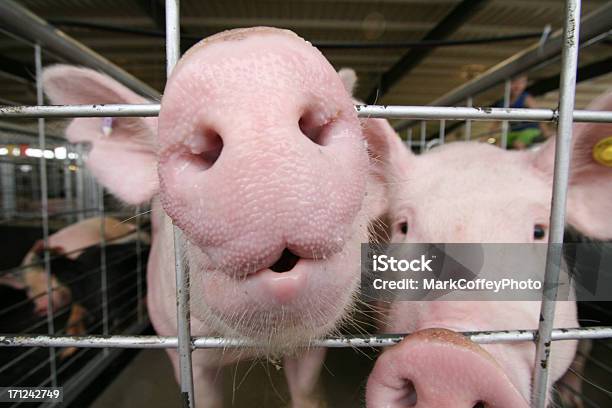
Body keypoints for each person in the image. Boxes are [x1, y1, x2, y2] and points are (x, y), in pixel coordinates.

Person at [490, 75, 553, 150]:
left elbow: (539, 116)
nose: (518, 85)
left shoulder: (526, 99)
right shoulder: (503, 102)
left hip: (530, 130)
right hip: (513, 132)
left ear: (525, 84)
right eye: (514, 82)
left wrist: (545, 131)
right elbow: (497, 122)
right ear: (507, 85)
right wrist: (486, 137)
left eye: (521, 82)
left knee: (518, 144)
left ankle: (525, 161)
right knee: (498, 145)